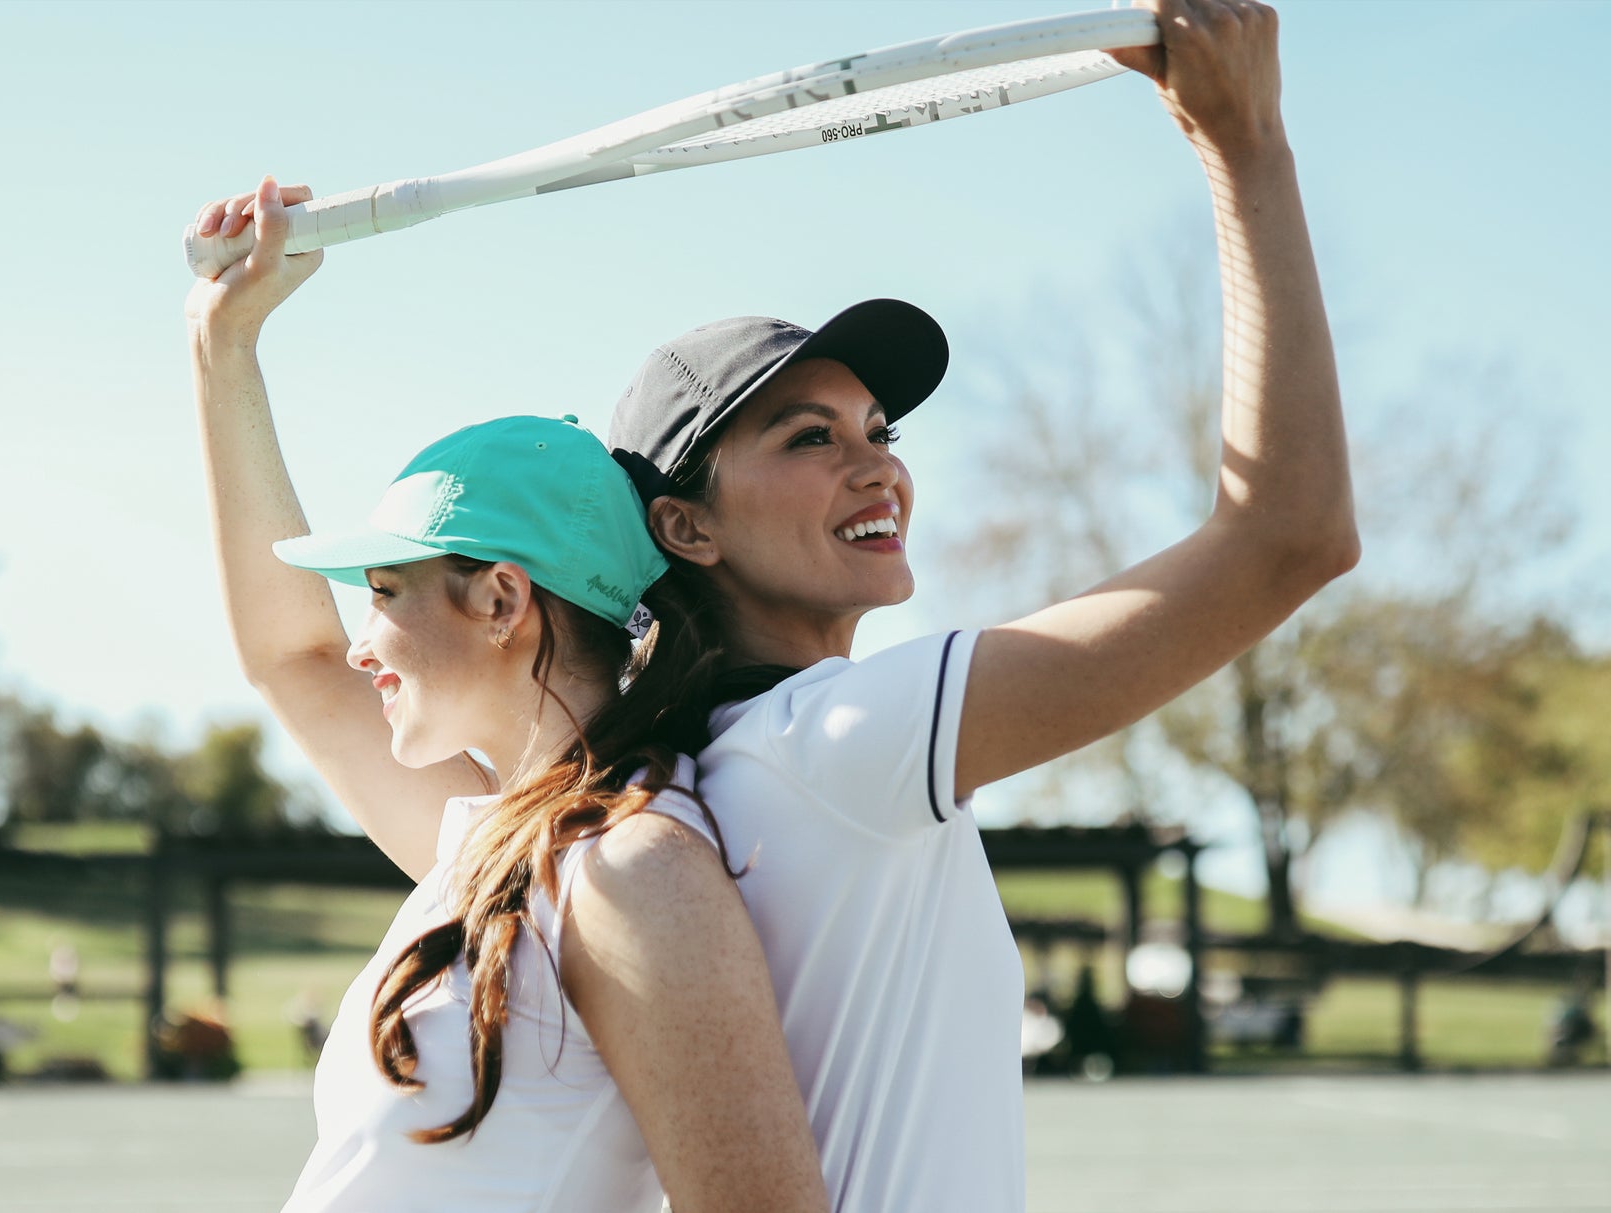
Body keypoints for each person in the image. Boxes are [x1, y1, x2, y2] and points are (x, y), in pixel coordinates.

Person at [604, 1, 1357, 1208]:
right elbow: (1289, 536)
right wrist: (1244, 145)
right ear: (683, 527)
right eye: (809, 437)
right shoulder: (834, 742)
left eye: (880, 431)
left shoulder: (683, 772)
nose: (877, 467)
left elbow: (304, 673)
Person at [185, 183, 825, 1212]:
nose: (359, 646)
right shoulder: (496, 844)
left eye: (383, 592)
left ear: (500, 599)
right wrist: (223, 342)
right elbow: (289, 656)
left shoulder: (630, 869)